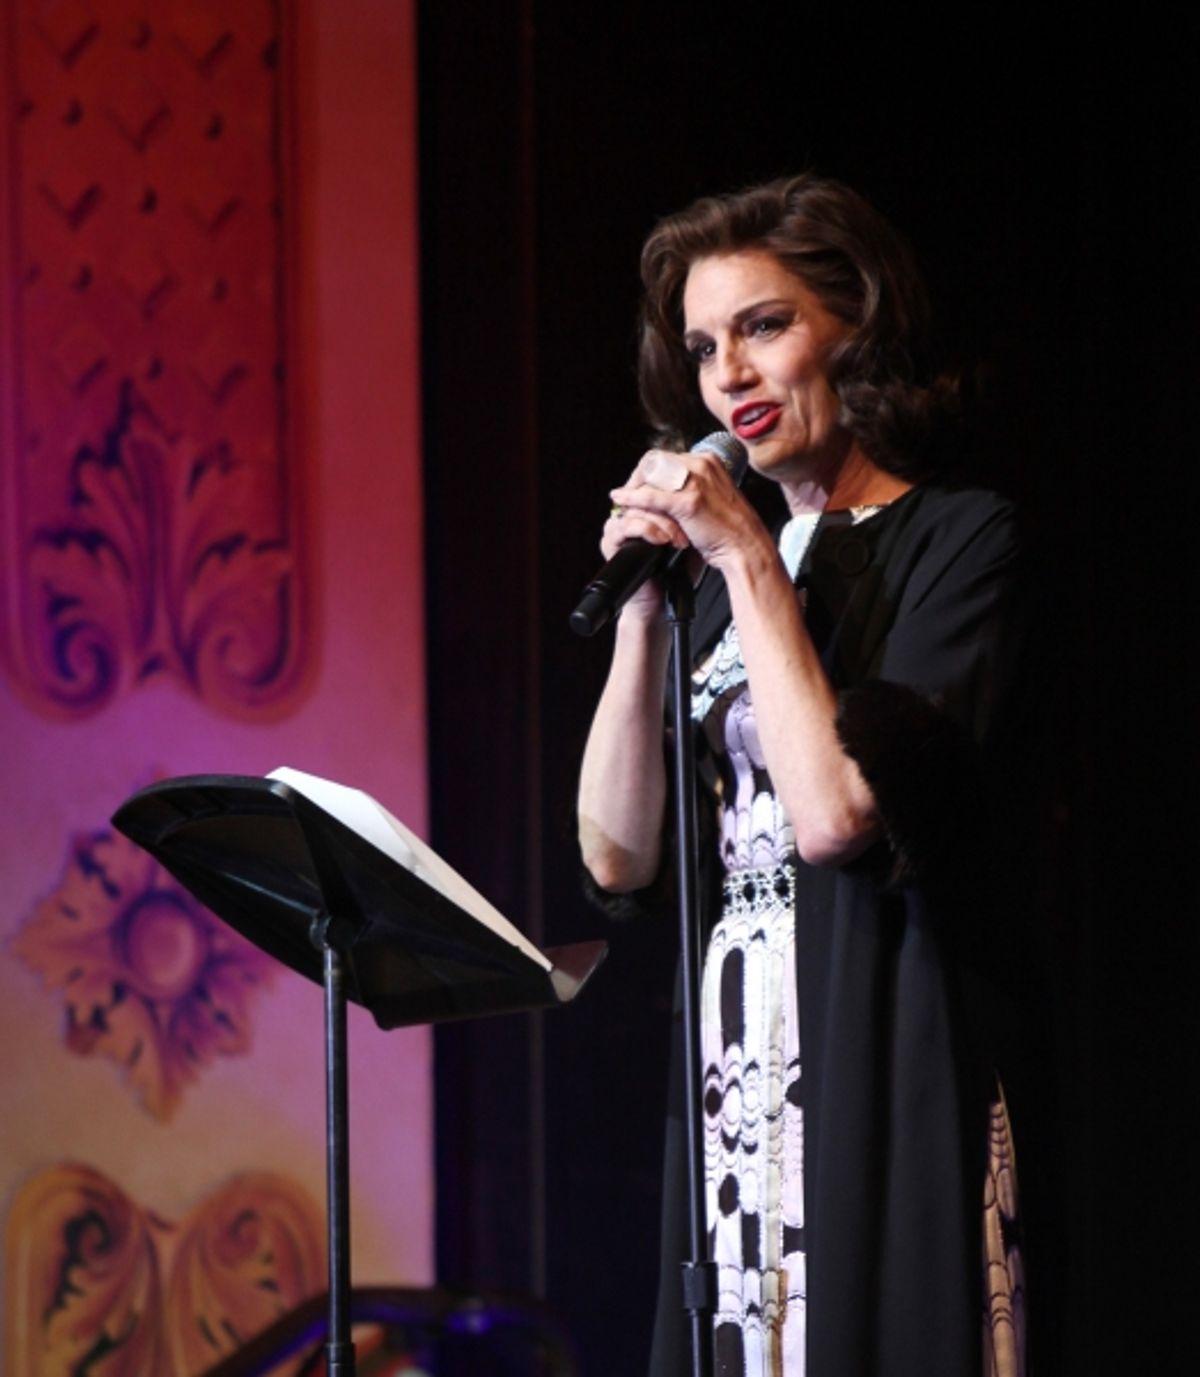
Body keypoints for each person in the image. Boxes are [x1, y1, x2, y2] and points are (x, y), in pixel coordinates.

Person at [576, 175, 1028, 1377]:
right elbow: (616, 854)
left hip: (880, 1021)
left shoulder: (959, 541)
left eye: (764, 327)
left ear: (856, 330)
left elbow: (833, 814)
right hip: (740, 1058)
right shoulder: (723, 576)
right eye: (704, 346)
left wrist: (744, 556)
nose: (729, 373)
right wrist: (648, 614)